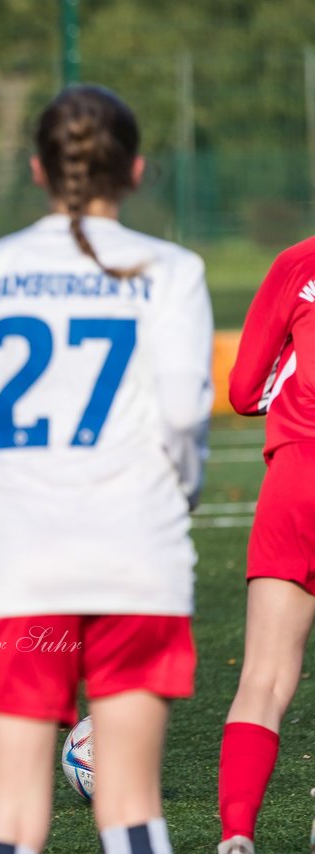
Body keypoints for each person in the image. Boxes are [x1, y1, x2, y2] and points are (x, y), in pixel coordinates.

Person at [0, 85, 213, 854]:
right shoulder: (174, 270)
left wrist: (1, 508)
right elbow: (185, 415)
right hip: (140, 556)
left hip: (21, 561)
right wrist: (178, 494)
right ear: (139, 170)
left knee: (10, 819)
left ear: (36, 169)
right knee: (130, 807)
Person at [215, 235, 315, 854]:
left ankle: (237, 831)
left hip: (299, 477)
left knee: (264, 677)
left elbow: (245, 390)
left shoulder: (299, 260)